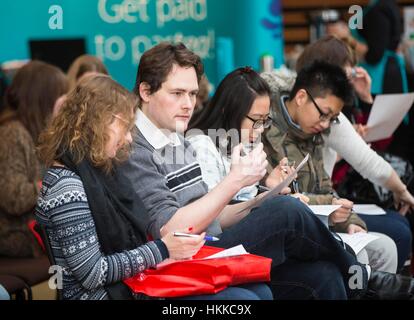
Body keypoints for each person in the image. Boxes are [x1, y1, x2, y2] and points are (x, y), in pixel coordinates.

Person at [119, 42, 414, 300]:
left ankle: (356, 273)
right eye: (177, 93)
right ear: (145, 91)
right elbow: (172, 230)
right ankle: (361, 272)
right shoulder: (136, 147)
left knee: (323, 275)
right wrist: (235, 183)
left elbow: (216, 219)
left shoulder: (174, 135)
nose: (187, 104)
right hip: (179, 260)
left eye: (193, 94)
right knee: (287, 211)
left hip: (206, 246)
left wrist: (260, 197)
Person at [35, 74, 272, 300]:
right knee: (247, 293)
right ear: (99, 124)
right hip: (111, 292)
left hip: (134, 281)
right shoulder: (67, 187)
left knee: (258, 290)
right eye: (125, 128)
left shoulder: (95, 170)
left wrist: (165, 250)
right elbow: (92, 273)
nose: (129, 139)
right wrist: (162, 250)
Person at [188, 66, 398, 274]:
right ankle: (355, 268)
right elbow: (214, 218)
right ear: (229, 110)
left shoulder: (244, 142)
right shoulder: (203, 145)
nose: (261, 129)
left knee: (328, 273)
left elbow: (252, 198)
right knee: (290, 211)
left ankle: (355, 268)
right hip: (221, 243)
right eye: (256, 121)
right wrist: (265, 198)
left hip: (256, 229)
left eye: (265, 121)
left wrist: (270, 188)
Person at [261, 36, 413, 270]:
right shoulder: (268, 124)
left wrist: (349, 220)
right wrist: (334, 206)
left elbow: (324, 183)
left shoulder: (314, 122)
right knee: (394, 235)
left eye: (331, 118)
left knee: (388, 241)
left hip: (324, 213)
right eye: (324, 114)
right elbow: (286, 198)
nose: (326, 124)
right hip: (297, 227)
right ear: (302, 96)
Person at [0, 61, 68, 258]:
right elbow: (14, 199)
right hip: (17, 234)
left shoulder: (38, 131)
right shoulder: (12, 134)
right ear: (44, 98)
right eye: (59, 95)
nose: (64, 102)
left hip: (38, 228)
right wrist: (54, 183)